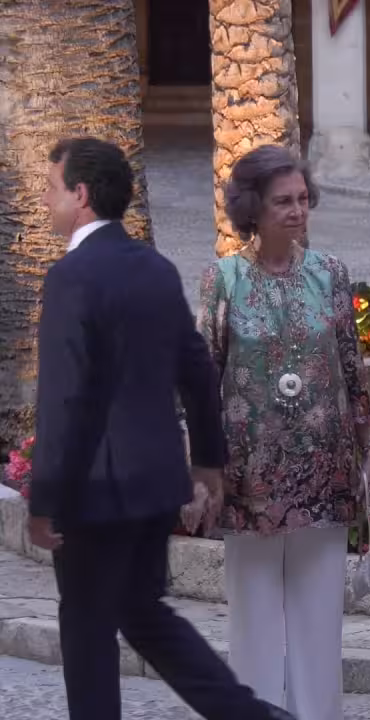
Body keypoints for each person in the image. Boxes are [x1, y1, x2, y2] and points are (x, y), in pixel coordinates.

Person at [26, 136, 293, 720]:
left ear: (81, 194)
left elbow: (65, 397)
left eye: (50, 188)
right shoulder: (155, 267)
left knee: (87, 627)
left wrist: (44, 499)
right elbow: (195, 368)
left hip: (95, 489)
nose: (45, 201)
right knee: (142, 612)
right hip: (153, 483)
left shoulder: (71, 276)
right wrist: (207, 460)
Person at [195, 144, 370, 720]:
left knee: (320, 621)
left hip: (325, 473)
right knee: (253, 621)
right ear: (253, 207)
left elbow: (352, 368)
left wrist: (366, 449)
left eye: (302, 198)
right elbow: (203, 378)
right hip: (249, 479)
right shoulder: (223, 280)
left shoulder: (330, 274)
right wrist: (202, 468)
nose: (298, 210)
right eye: (283, 201)